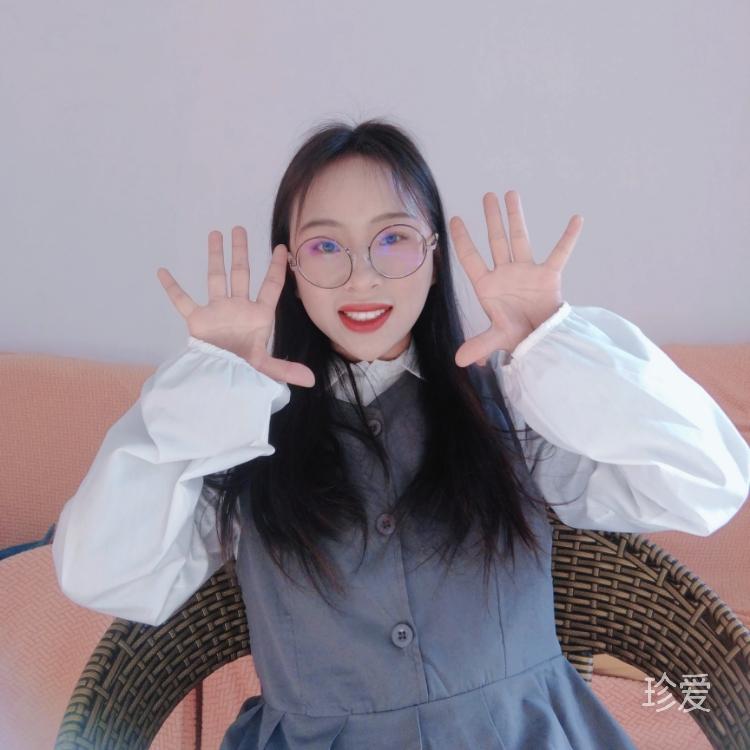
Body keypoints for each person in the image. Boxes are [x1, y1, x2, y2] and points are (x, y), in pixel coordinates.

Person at [52, 118, 750, 750]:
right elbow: (100, 572)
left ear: (435, 253)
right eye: (326, 246)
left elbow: (708, 481)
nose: (362, 277)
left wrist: (554, 341)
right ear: (289, 268)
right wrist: (204, 395)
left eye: (393, 239)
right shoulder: (239, 432)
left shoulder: (515, 406)